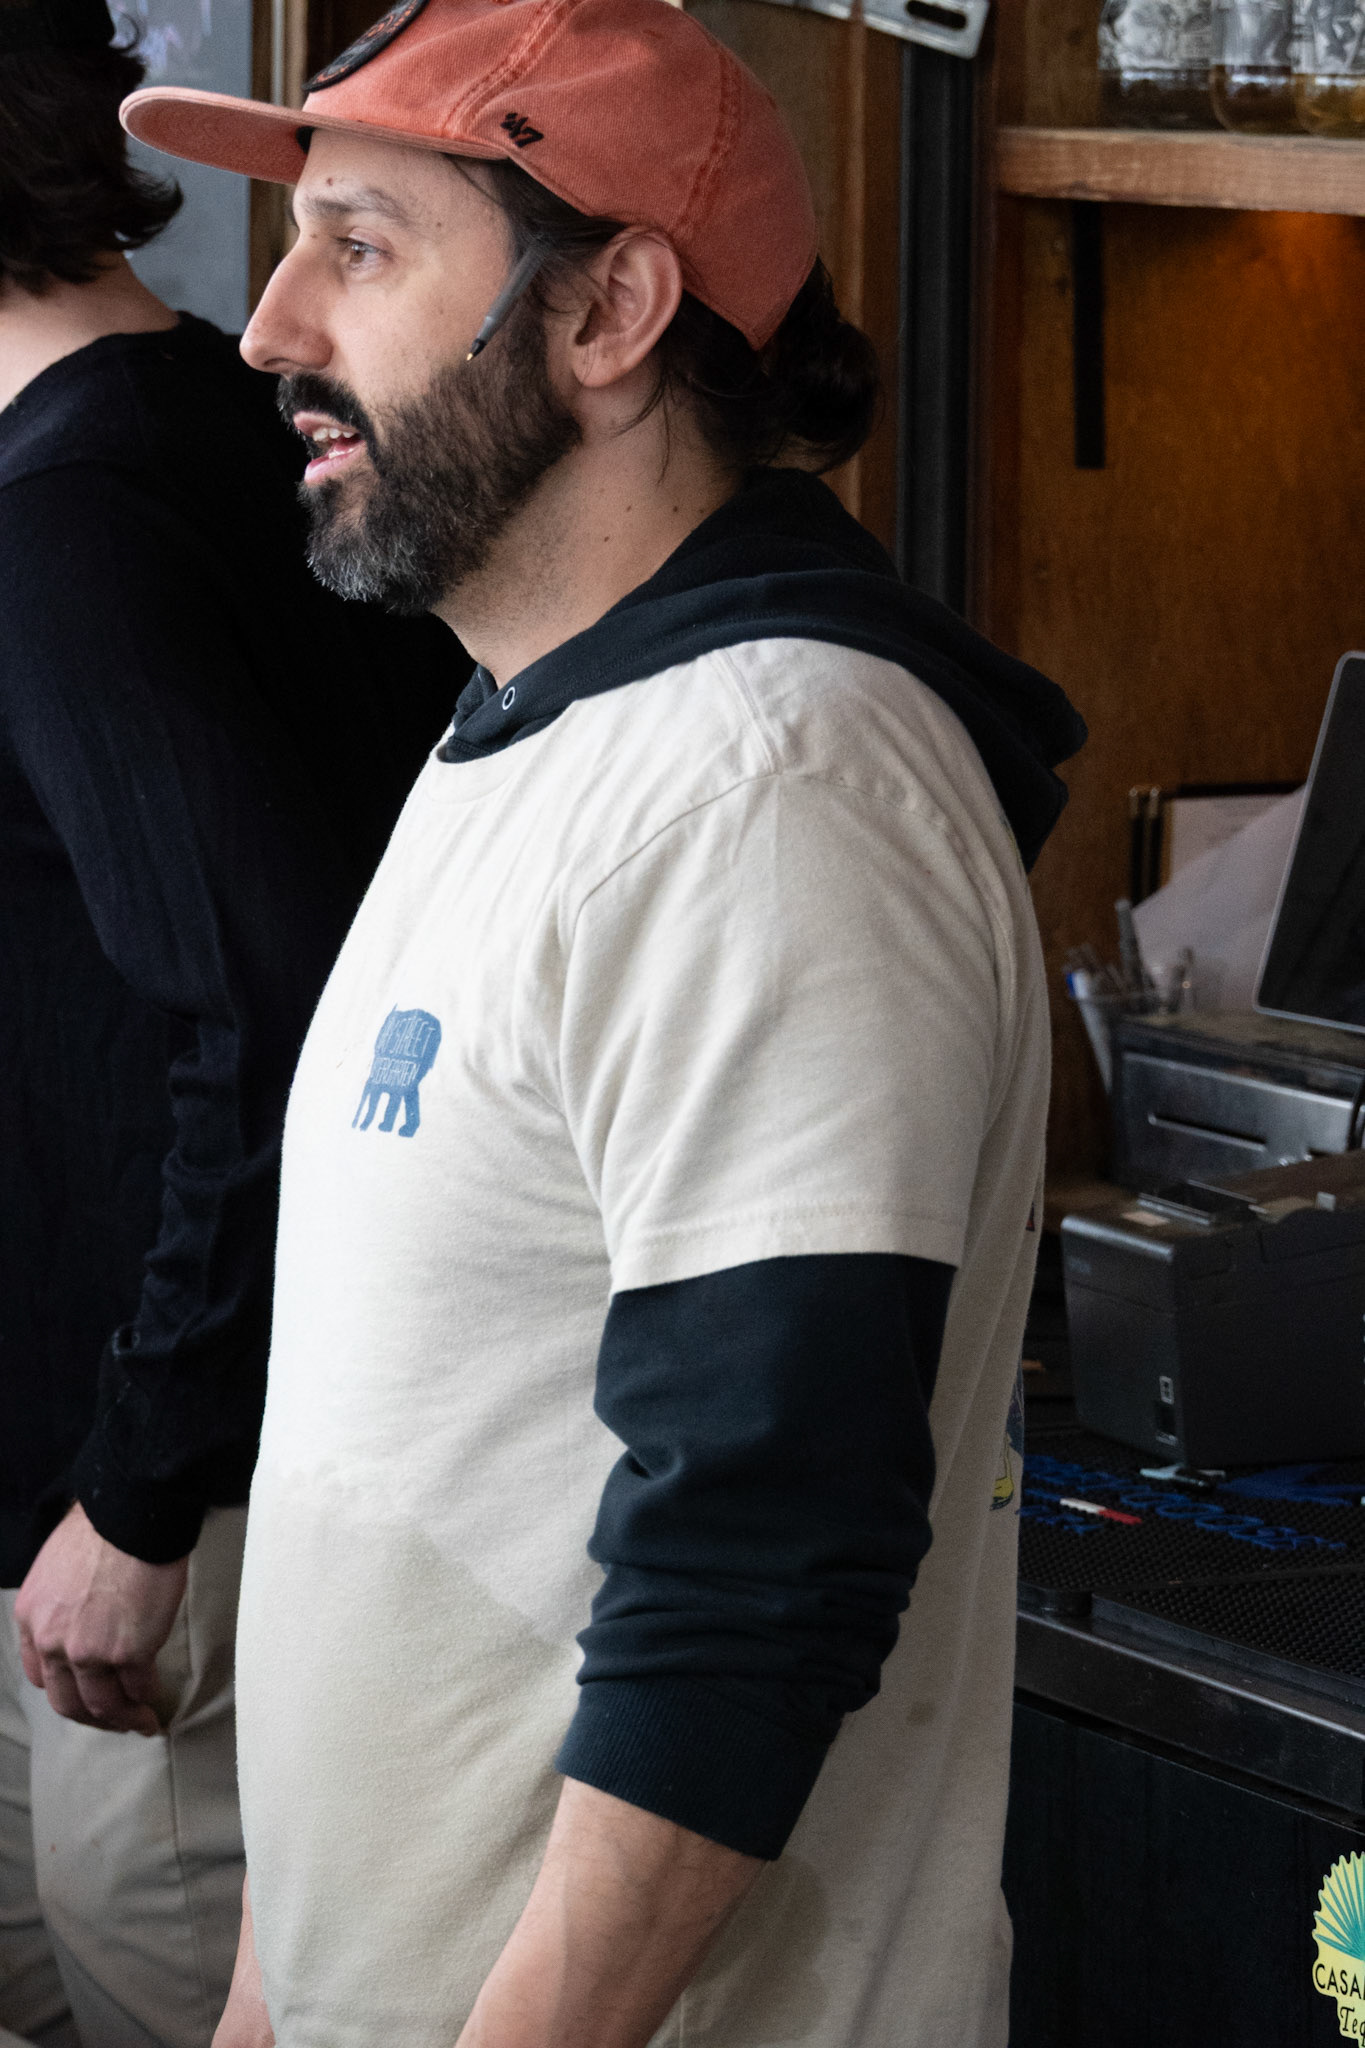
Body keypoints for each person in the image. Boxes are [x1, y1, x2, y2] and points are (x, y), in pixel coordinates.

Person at [124, 2, 1086, 2043]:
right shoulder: (524, 727)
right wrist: (272, 1989)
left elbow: (756, 1566)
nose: (270, 329)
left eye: (361, 247)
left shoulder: (771, 782)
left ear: (607, 311)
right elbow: (386, 1472)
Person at [0, 5, 463, 2045]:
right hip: (138, 1479)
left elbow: (272, 1017)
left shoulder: (77, 518)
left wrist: (139, 1487)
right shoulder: (202, 422)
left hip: (171, 1510)